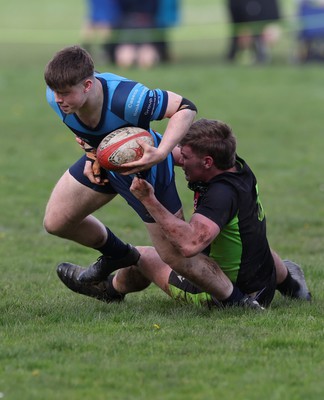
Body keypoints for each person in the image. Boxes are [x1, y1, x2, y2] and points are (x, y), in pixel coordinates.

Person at [45, 46, 257, 309]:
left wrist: (161, 153)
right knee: (56, 221)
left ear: (88, 85)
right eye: (55, 92)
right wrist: (91, 155)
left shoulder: (128, 99)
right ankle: (119, 255)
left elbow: (186, 108)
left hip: (148, 170)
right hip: (107, 161)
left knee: (177, 256)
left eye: (65, 93)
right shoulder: (56, 96)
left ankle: (239, 303)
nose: (58, 99)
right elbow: (85, 129)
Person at [56, 119, 311, 309]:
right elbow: (170, 154)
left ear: (207, 162)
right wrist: (104, 151)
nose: (179, 159)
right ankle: (292, 285)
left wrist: (149, 200)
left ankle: (109, 289)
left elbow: (190, 244)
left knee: (141, 256)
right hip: (262, 278)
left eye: (186, 156)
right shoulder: (235, 166)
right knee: (251, 237)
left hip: (226, 290)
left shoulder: (220, 196)